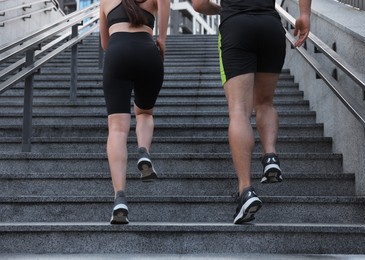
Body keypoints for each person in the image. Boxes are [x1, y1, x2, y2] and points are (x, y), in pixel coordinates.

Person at [192, 0, 311, 224]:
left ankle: (246, 190)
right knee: (265, 102)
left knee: (239, 110)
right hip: (270, 26)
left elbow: (198, 5)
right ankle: (270, 155)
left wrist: (220, 9)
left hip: (236, 26)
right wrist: (304, 14)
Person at [99, 0, 170, 224]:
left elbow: (104, 44)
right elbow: (166, 3)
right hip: (148, 53)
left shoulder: (105, 1)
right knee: (145, 113)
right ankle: (143, 150)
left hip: (117, 53)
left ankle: (120, 197)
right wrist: (162, 39)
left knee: (117, 129)